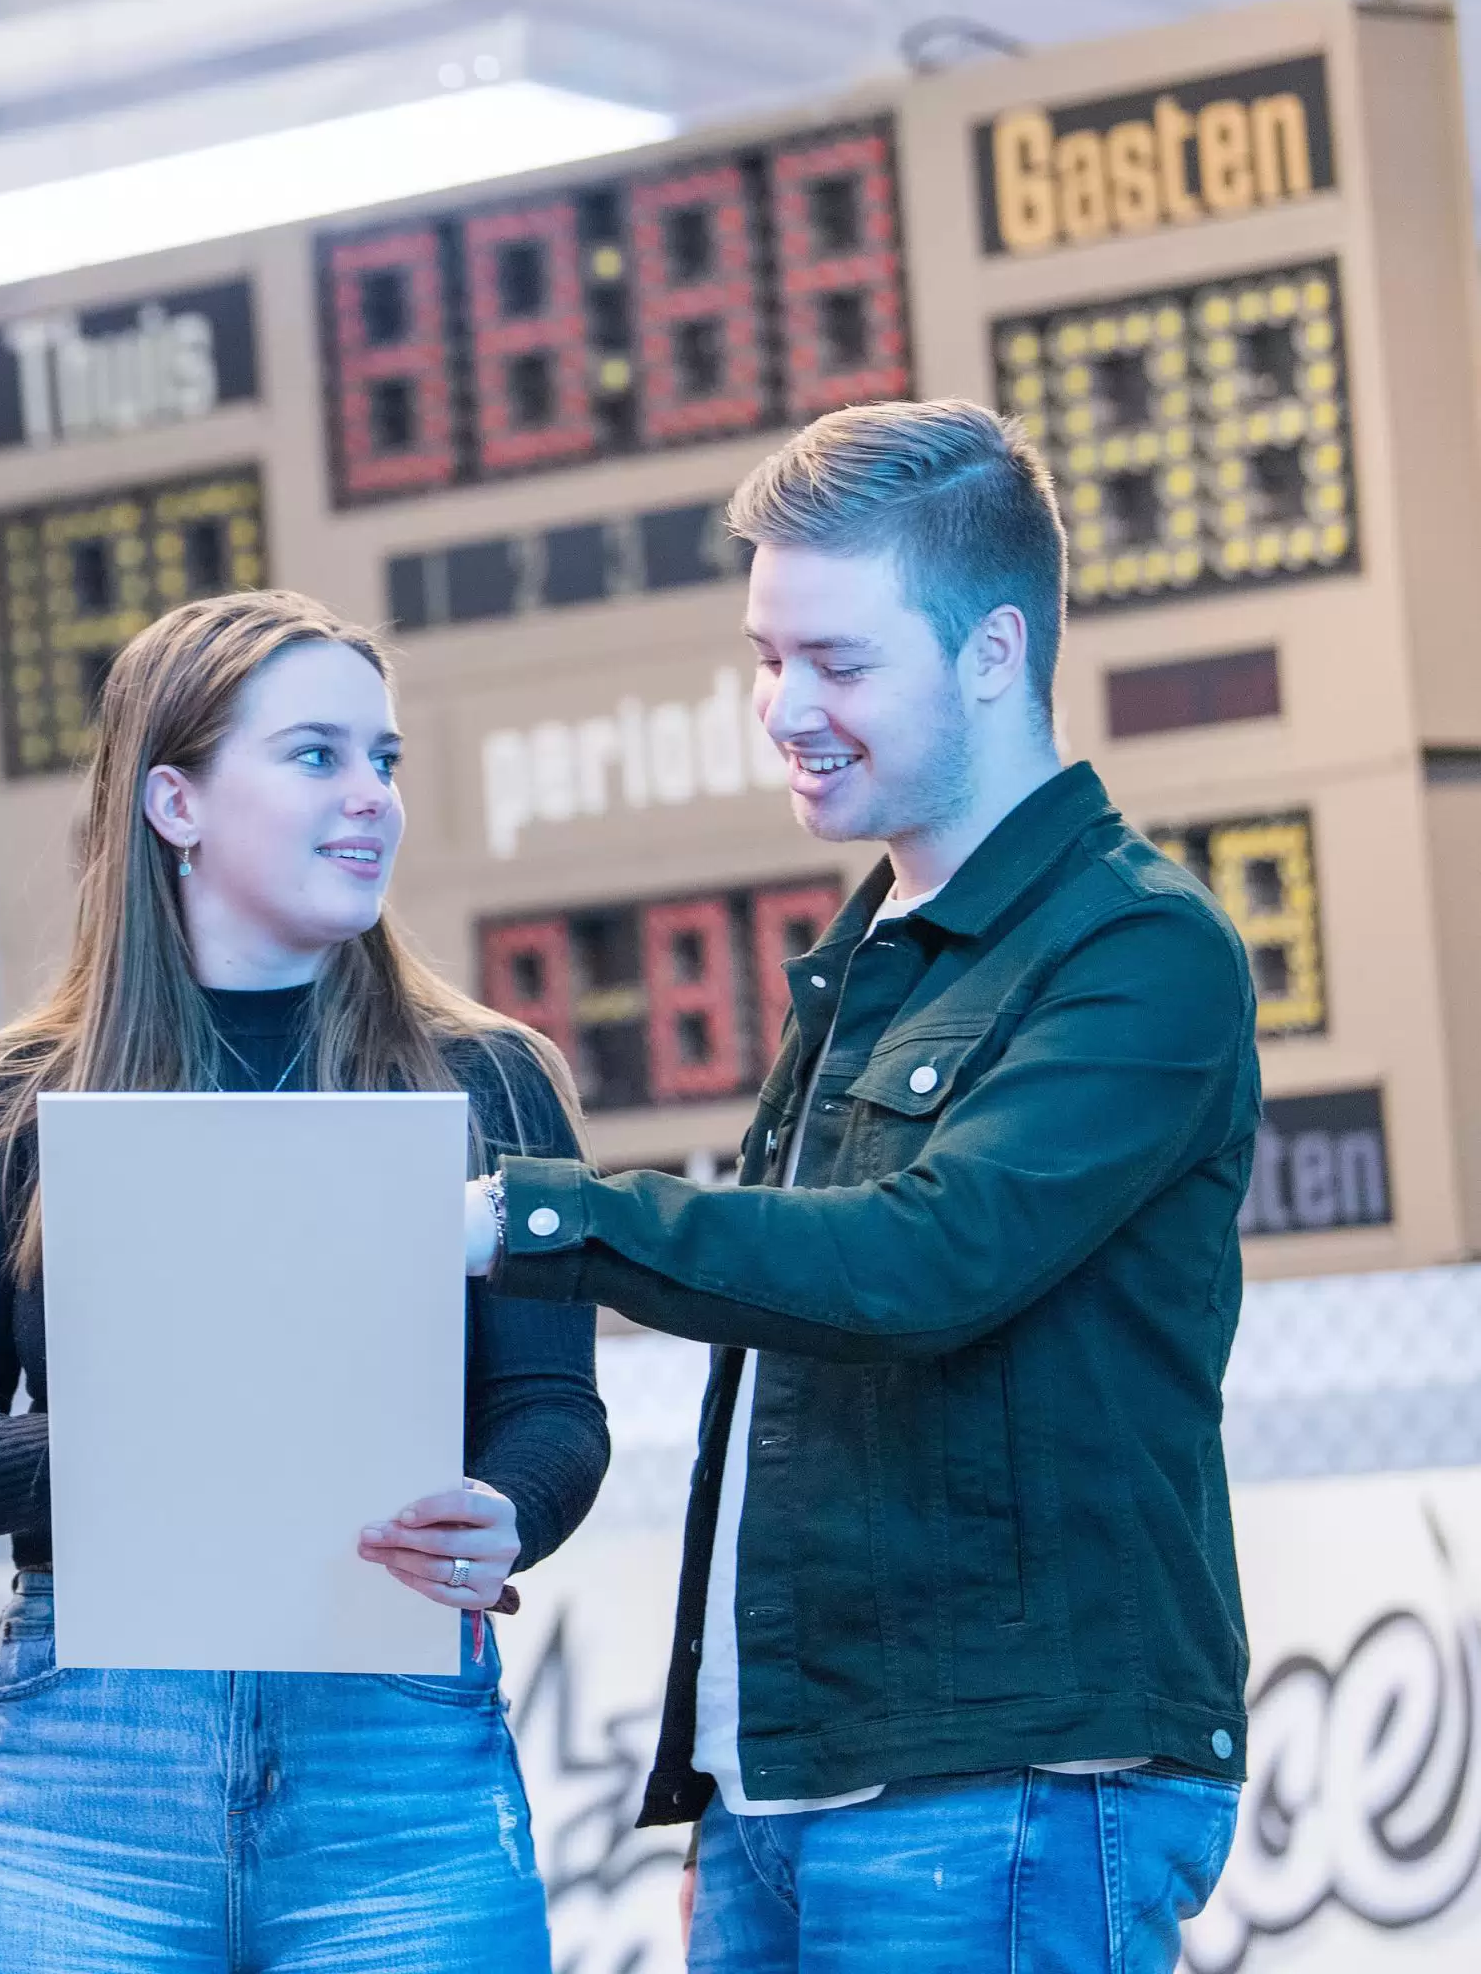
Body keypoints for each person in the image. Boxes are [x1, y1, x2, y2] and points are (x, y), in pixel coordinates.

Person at [462, 400, 1256, 1973]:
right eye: (769, 657)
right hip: (792, 1789)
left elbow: (922, 1264)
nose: (784, 708)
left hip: (1005, 1790)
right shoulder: (876, 955)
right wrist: (739, 1785)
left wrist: (530, 1216)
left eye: (837, 662)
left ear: (994, 651)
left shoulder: (1140, 946)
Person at [0, 588, 609, 1973]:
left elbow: (553, 1413)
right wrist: (138, 1460)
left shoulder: (490, 1080)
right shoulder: (12, 1097)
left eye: (384, 758)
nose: (372, 794)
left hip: (396, 1759)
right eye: (317, 755)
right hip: (88, 1769)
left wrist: (508, 1514)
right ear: (176, 803)